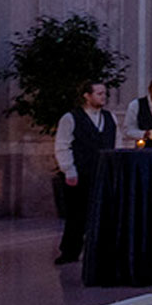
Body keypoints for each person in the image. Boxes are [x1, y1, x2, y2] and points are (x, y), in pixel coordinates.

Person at [52, 81, 116, 265]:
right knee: (76, 215)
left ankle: (101, 250)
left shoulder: (109, 117)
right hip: (80, 172)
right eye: (99, 94)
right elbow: (62, 145)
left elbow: (115, 143)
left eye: (104, 94)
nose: (103, 97)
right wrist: (68, 170)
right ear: (87, 96)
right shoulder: (71, 118)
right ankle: (70, 251)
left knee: (103, 213)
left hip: (103, 173)